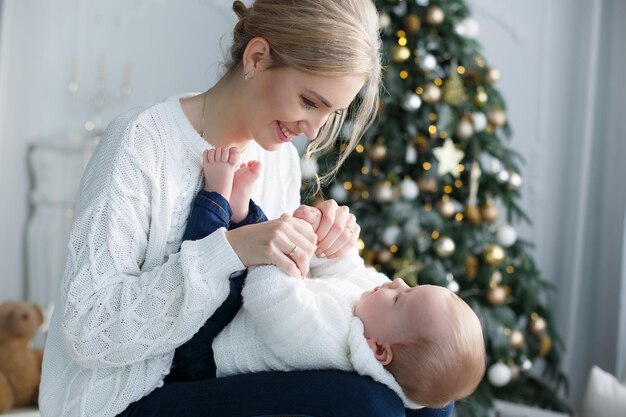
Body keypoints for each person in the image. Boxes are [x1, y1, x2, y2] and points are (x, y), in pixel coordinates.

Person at [39, 0, 456, 416]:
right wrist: (232, 250)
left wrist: (327, 250)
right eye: (309, 102)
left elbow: (285, 307)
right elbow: (87, 331)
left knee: (432, 399)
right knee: (369, 404)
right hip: (127, 396)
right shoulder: (141, 142)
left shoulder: (280, 160)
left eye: (331, 112)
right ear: (256, 57)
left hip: (219, 372)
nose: (312, 131)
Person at [173, 147, 486, 410]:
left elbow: (268, 296)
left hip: (210, 350)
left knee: (217, 271)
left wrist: (294, 245)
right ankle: (241, 210)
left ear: (378, 350)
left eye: (400, 298)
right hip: (249, 313)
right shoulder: (375, 306)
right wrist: (322, 238)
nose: (397, 283)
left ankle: (215, 196)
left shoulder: (326, 340)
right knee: (267, 244)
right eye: (411, 286)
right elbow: (346, 268)